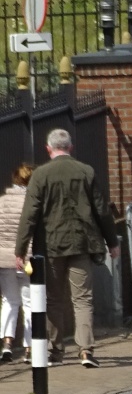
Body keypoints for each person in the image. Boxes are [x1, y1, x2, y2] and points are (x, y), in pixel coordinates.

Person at [13, 128, 119, 368]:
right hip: (81, 244)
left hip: (50, 246)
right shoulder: (86, 171)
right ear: (70, 148)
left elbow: (29, 215)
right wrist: (112, 241)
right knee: (83, 299)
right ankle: (86, 350)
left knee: (53, 299)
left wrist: (20, 249)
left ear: (48, 149)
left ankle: (55, 349)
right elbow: (102, 210)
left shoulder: (40, 175)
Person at [0, 164, 34, 362]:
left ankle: (7, 345)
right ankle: (30, 349)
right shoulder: (33, 202)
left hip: (5, 260)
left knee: (9, 301)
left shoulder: (2, 202)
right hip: (28, 259)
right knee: (29, 303)